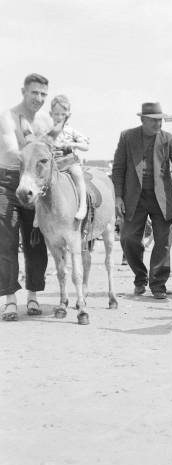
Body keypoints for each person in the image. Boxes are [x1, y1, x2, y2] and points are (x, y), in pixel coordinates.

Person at [112, 102, 172, 299]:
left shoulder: (168, 139)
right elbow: (118, 169)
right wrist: (117, 196)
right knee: (128, 239)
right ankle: (141, 277)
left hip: (162, 198)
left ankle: (158, 284)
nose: (158, 124)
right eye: (153, 120)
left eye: (160, 120)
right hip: (134, 198)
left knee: (164, 242)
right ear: (142, 119)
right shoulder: (127, 137)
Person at [0, 73, 53, 321]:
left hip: (34, 183)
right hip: (8, 181)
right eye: (35, 93)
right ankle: (10, 300)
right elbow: (14, 153)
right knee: (6, 242)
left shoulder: (45, 120)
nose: (39, 98)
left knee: (35, 241)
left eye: (43, 94)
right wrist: (38, 149)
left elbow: (49, 155)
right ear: (23, 91)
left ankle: (33, 296)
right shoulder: (7, 117)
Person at [47, 95, 90, 223]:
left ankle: (83, 205)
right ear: (51, 114)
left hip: (69, 160)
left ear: (68, 115)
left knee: (77, 173)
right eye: (56, 114)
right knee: (40, 178)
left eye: (63, 114)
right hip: (53, 163)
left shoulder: (71, 131)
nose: (60, 117)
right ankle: (39, 211)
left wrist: (73, 144)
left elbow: (85, 146)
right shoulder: (48, 131)